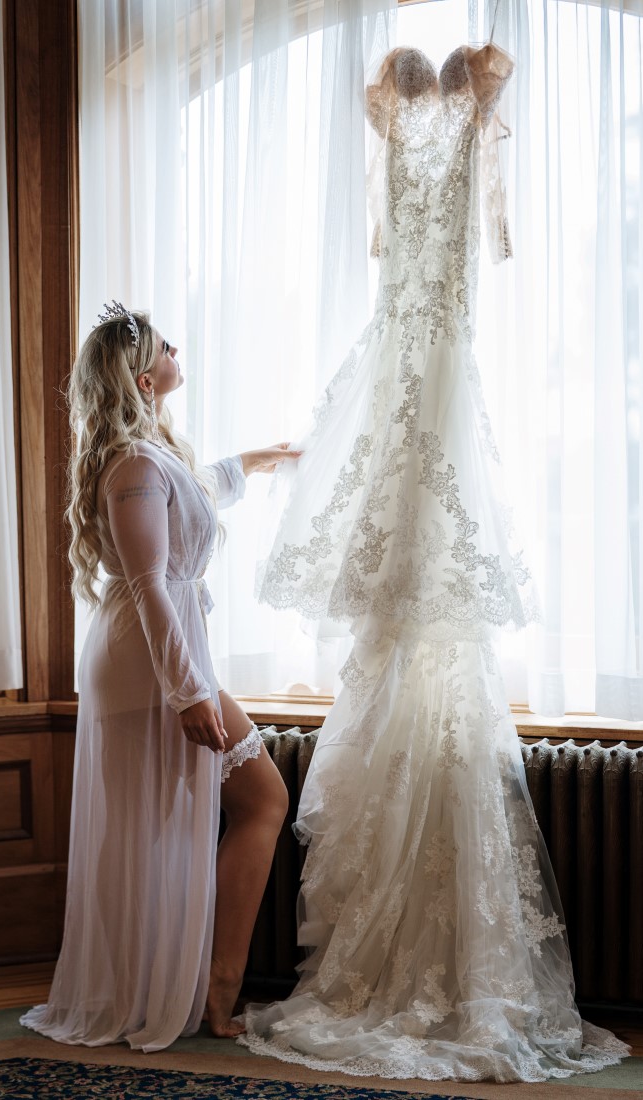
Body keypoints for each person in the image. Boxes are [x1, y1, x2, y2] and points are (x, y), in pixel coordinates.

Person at [240, 45, 630, 1081]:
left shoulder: (437, 112)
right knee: (401, 632)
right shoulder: (450, 111)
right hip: (411, 356)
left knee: (429, 623)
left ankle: (446, 970)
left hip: (432, 362)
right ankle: (404, 966)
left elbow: (468, 239)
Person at [21, 302, 298, 1048]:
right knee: (256, 799)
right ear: (145, 377)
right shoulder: (134, 463)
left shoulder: (148, 454)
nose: (181, 349)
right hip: (150, 661)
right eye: (167, 346)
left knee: (181, 820)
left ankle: (189, 987)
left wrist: (257, 461)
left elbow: (193, 495)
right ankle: (203, 991)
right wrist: (189, 693)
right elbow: (149, 582)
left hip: (161, 653)